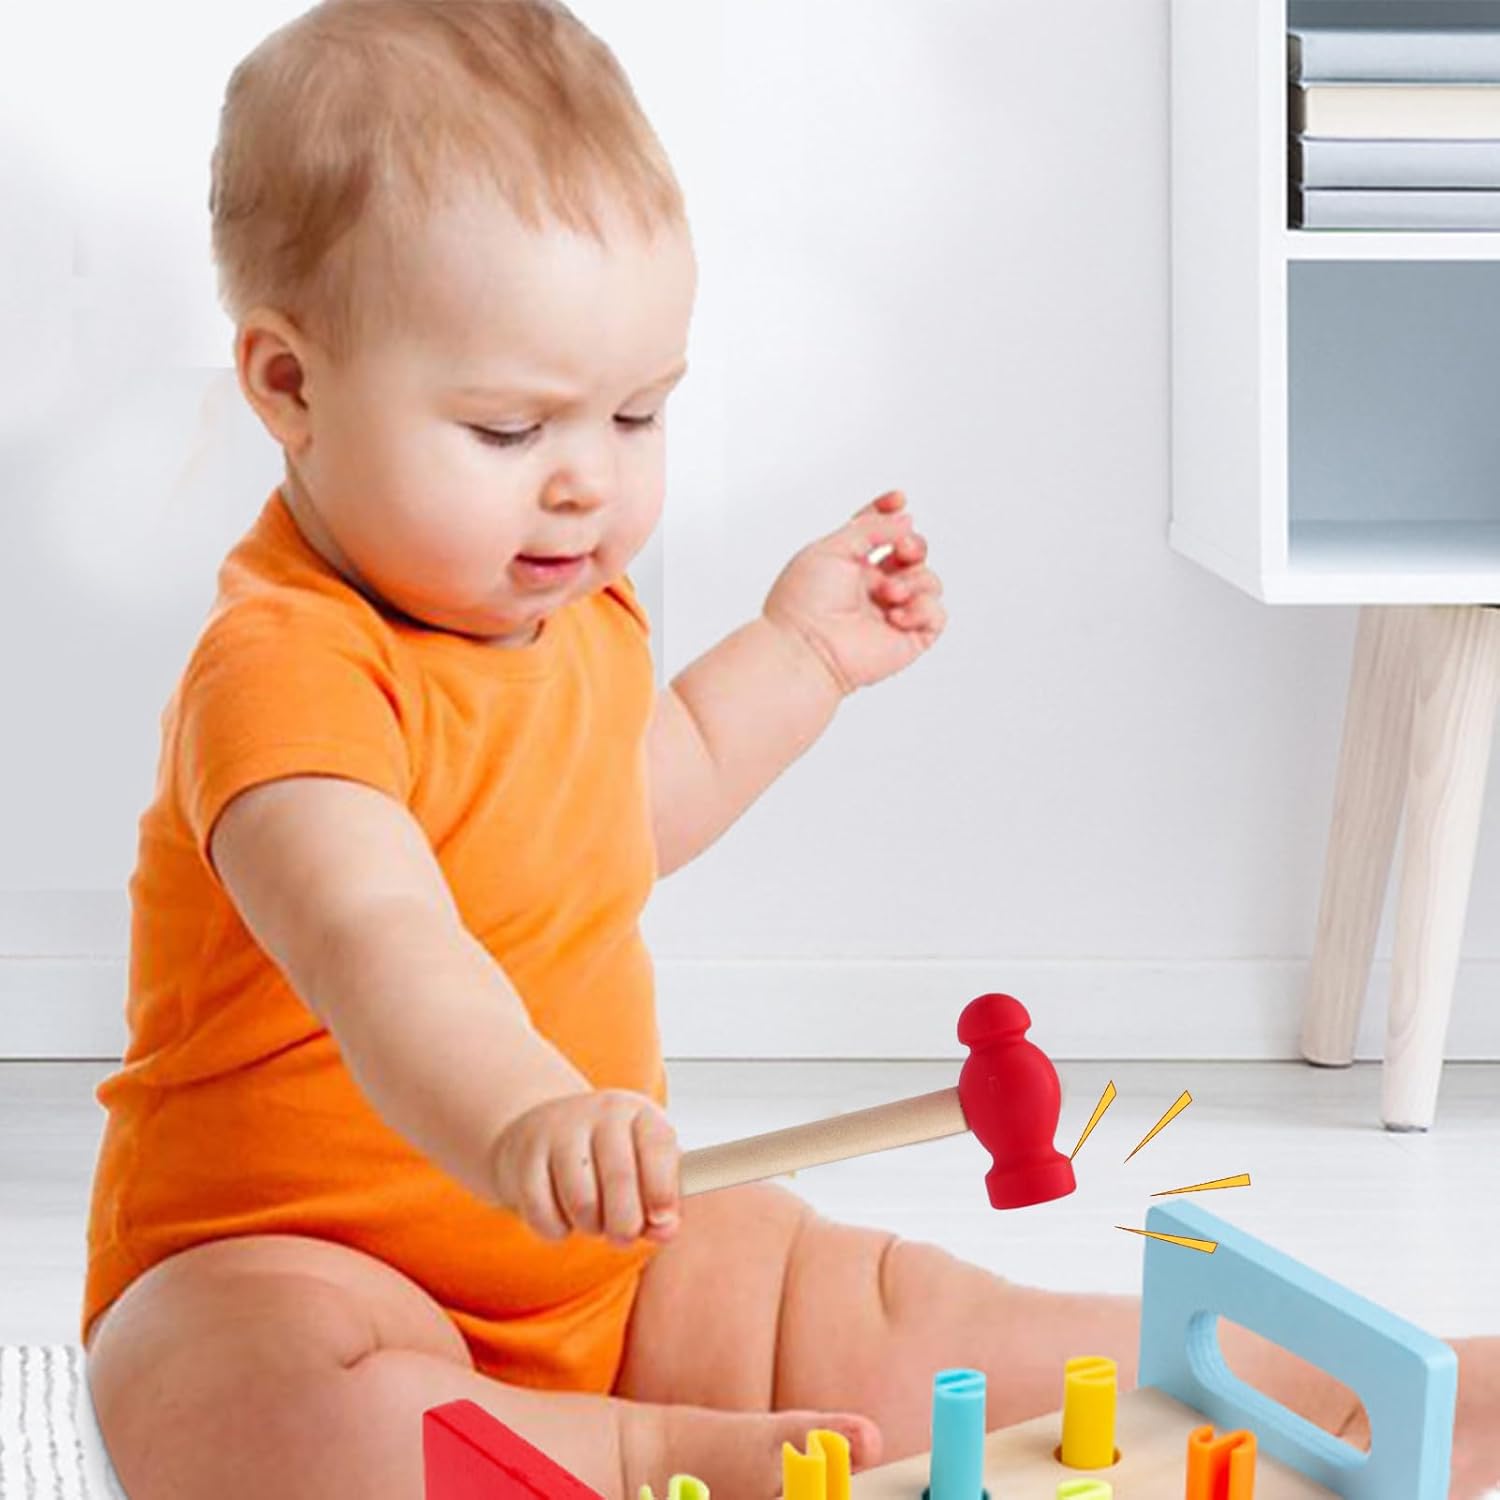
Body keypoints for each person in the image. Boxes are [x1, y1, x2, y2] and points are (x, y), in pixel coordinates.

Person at [81, 3, 1500, 1497]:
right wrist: (526, 1116)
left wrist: (799, 656)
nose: (586, 484)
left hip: (599, 1260)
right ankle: (658, 1457)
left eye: (636, 414)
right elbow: (380, 940)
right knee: (259, 1400)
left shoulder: (568, 613)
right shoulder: (283, 671)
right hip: (307, 1269)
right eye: (508, 432)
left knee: (886, 1308)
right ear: (289, 386)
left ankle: (1355, 1391)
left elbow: (635, 801)